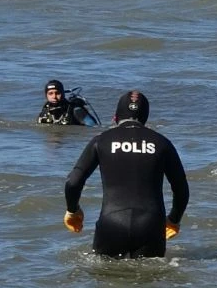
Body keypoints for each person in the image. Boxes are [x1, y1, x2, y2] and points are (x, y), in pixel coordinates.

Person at [63, 90, 189, 258]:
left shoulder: (101, 141)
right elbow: (181, 190)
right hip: (150, 226)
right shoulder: (162, 143)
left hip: (112, 224)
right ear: (145, 118)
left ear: (115, 117)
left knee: (105, 278)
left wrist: (73, 210)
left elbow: (73, 182)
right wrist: (174, 219)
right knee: (149, 281)